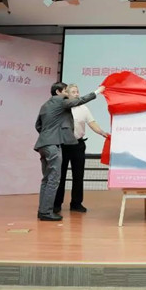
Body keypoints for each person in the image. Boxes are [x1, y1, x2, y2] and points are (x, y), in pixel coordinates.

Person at [34, 82, 104, 221]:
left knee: (47, 179)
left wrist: (48, 136)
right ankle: (47, 211)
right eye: (67, 91)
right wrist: (97, 92)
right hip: (55, 145)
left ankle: (43, 210)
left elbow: (38, 125)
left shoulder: (45, 105)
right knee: (54, 179)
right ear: (58, 92)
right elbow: (81, 100)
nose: (69, 94)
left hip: (44, 144)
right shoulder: (61, 102)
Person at [54, 84, 110, 214]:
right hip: (63, 145)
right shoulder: (62, 108)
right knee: (60, 176)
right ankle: (56, 204)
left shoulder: (83, 108)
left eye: (77, 92)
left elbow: (92, 123)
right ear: (67, 94)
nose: (77, 94)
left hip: (78, 145)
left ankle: (76, 203)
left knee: (78, 176)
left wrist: (102, 132)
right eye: (73, 92)